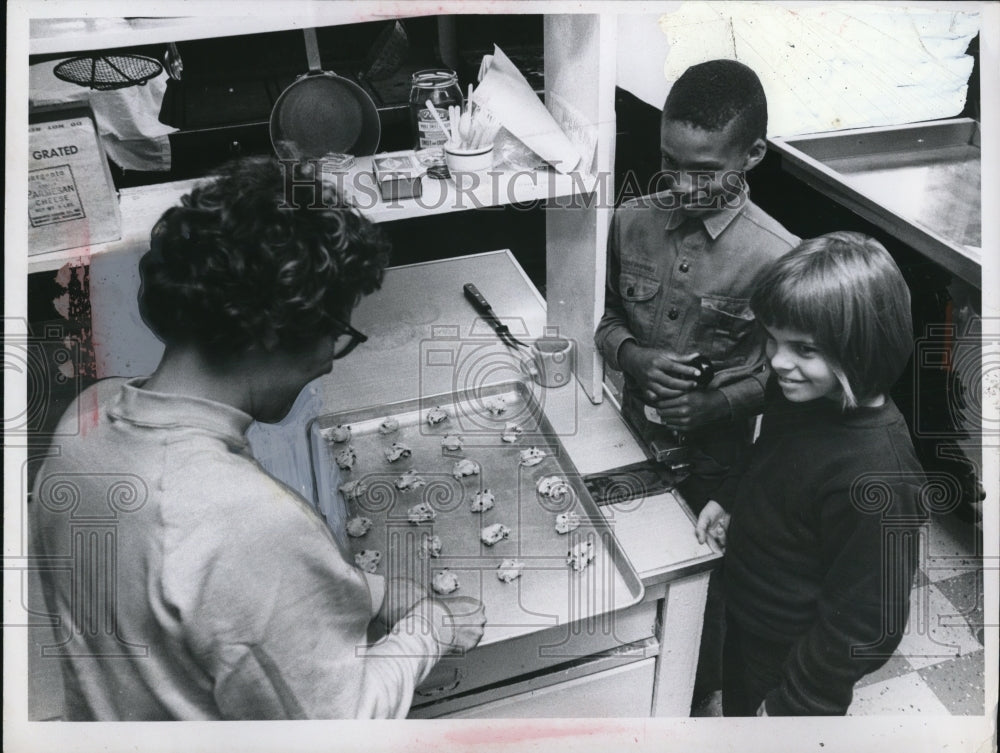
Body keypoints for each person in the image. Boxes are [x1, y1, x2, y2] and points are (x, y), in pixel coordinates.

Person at [30, 157, 485, 720]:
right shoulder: (242, 522)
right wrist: (431, 626)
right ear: (277, 328)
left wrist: (373, 592)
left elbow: (203, 601)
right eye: (337, 334)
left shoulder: (85, 418)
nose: (328, 364)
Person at [594, 59, 798, 708]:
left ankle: (693, 701)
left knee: (702, 608)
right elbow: (602, 322)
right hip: (628, 445)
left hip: (717, 467)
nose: (681, 185)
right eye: (668, 162)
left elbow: (788, 383)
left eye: (704, 172)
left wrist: (715, 401)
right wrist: (632, 356)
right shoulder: (628, 220)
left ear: (754, 154)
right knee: (621, 587)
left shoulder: (780, 257)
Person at [695, 232, 925, 716]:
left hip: (793, 663)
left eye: (804, 349)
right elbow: (769, 454)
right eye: (773, 339)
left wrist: (793, 705)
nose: (778, 361)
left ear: (863, 349)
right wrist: (731, 497)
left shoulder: (880, 478)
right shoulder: (801, 394)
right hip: (749, 616)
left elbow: (867, 623)